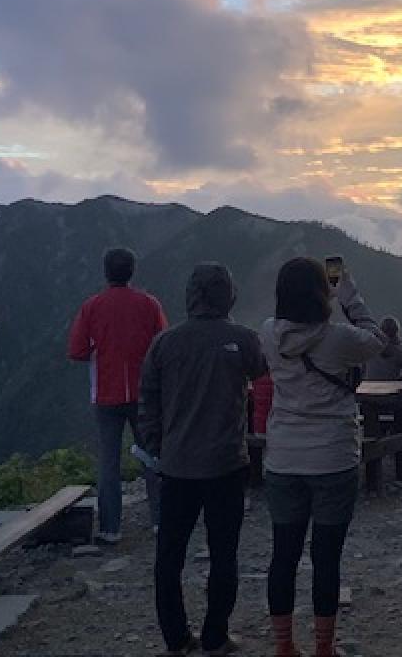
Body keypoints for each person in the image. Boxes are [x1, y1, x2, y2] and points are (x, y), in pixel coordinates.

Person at [259, 258, 385, 657]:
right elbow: (377, 339)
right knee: (326, 557)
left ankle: (284, 645)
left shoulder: (267, 334)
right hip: (332, 457)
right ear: (320, 292)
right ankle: (324, 648)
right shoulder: (339, 338)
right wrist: (348, 293)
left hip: (282, 458)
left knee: (284, 554)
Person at [139, 263, 265, 657]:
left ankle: (176, 639)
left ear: (190, 294)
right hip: (227, 462)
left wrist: (157, 446)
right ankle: (215, 636)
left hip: (176, 466)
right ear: (229, 294)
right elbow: (264, 370)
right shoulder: (242, 339)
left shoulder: (164, 343)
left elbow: (148, 400)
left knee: (169, 557)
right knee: (224, 553)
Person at [67, 246, 167, 542]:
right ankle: (160, 521)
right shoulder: (149, 304)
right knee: (151, 454)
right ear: (132, 271)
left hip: (106, 394)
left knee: (108, 462)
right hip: (145, 392)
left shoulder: (92, 306)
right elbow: (163, 346)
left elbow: (77, 350)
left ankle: (110, 528)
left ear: (106, 272)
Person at [363, 316, 402, 381]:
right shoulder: (395, 351)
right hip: (389, 387)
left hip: (369, 387)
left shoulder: (370, 348)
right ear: (396, 333)